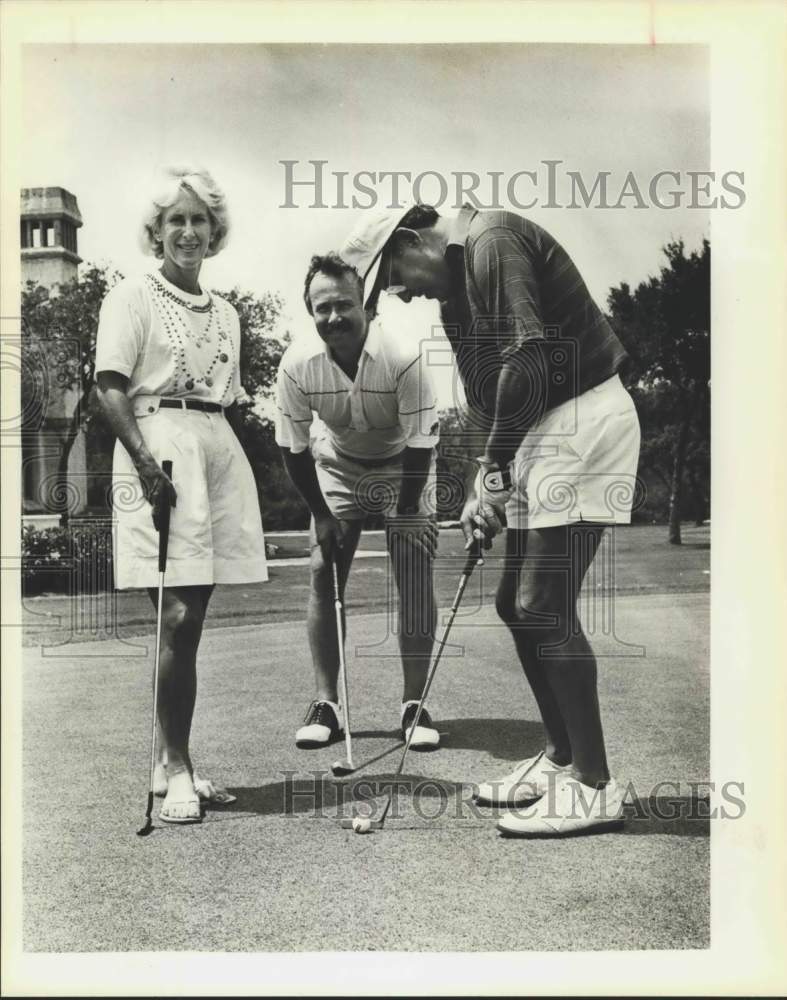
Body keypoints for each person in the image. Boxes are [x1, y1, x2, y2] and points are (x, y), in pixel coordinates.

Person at [340, 203, 641, 837]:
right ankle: (560, 759)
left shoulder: (491, 239)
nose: (403, 293)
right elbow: (485, 398)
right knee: (513, 603)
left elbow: (529, 354)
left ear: (410, 240)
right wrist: (485, 485)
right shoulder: (454, 303)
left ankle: (595, 785)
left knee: (542, 604)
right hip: (538, 432)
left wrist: (495, 469)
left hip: (583, 415)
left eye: (394, 277)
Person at [95, 166, 268, 824]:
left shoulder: (227, 312)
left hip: (215, 448)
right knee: (176, 617)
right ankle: (177, 768)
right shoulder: (131, 295)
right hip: (156, 447)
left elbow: (224, 394)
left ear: (214, 230)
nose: (189, 232)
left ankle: (170, 759)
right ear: (157, 231)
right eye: (176, 221)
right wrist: (145, 464)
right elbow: (109, 386)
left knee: (189, 623)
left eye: (199, 220)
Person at [275, 252, 441, 750]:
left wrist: (408, 513)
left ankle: (414, 705)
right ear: (311, 312)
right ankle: (327, 704)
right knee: (322, 568)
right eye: (322, 308)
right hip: (338, 462)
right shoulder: (297, 364)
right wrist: (321, 515)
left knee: (413, 569)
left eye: (344, 305)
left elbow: (421, 442)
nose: (334, 317)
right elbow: (292, 448)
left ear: (365, 305)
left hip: (403, 463)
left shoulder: (403, 355)